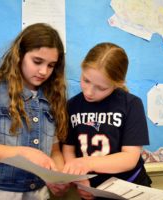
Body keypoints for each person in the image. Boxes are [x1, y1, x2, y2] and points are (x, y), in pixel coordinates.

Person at [0, 23, 69, 200]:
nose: (44, 71)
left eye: (51, 65)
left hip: (38, 193)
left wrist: (57, 176)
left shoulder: (52, 99)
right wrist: (24, 153)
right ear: (19, 55)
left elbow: (55, 151)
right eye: (37, 61)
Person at [62, 42, 152, 200]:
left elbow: (129, 158)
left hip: (129, 190)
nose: (89, 92)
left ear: (117, 83)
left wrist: (86, 163)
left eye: (101, 88)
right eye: (86, 80)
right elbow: (68, 151)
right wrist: (79, 178)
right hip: (91, 191)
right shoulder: (72, 105)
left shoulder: (131, 104)